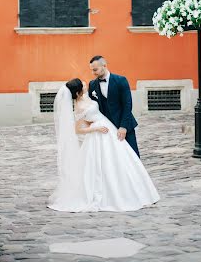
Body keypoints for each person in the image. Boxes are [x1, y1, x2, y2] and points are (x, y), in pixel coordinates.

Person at [47, 78, 159, 212]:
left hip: (108, 128)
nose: (85, 84)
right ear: (77, 93)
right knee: (104, 163)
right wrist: (96, 128)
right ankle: (110, 195)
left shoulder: (87, 97)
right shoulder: (79, 107)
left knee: (121, 158)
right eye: (82, 85)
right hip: (98, 134)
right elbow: (78, 130)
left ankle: (132, 190)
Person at [88, 55, 140, 157]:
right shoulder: (92, 84)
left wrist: (123, 126)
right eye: (91, 70)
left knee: (133, 156)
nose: (93, 73)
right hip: (107, 130)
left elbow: (127, 105)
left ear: (104, 65)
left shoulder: (121, 80)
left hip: (125, 126)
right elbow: (92, 107)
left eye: (95, 70)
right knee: (114, 158)